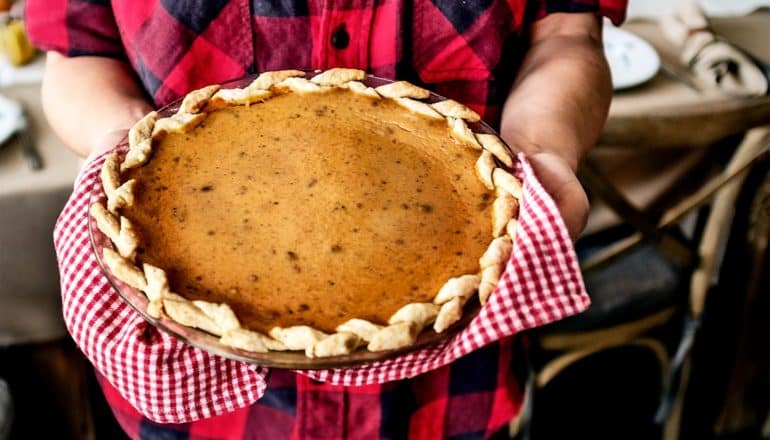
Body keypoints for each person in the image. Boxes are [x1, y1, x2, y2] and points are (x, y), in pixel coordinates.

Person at [26, 1, 626, 438]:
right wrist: (122, 144)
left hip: (449, 384)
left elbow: (568, 35)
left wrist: (541, 149)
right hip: (203, 401)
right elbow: (80, 53)